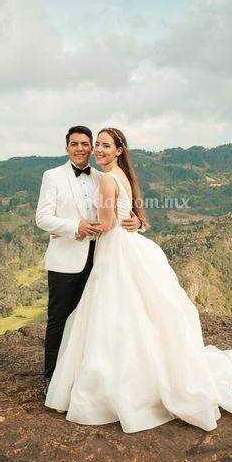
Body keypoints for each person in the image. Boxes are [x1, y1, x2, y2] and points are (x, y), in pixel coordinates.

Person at [44, 127, 232, 433]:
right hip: (116, 250)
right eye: (94, 145)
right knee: (129, 314)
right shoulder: (116, 176)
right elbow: (122, 211)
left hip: (114, 252)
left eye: (102, 145)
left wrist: (120, 223)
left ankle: (119, 382)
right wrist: (125, 221)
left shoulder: (107, 179)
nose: (96, 149)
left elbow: (109, 222)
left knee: (115, 316)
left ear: (118, 151)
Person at [35, 125, 144, 397]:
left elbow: (123, 211)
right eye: (76, 144)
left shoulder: (103, 175)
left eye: (87, 143)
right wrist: (75, 227)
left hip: (100, 259)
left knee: (93, 321)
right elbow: (42, 218)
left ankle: (82, 377)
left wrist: (138, 221)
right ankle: (51, 378)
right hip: (65, 261)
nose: (83, 148)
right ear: (67, 147)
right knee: (59, 320)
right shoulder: (52, 176)